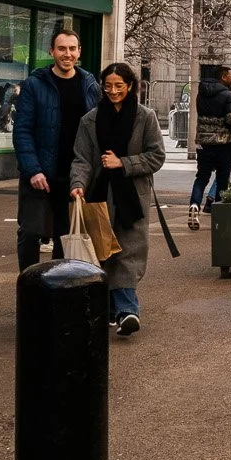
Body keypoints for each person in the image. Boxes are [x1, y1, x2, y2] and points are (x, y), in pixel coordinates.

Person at [70, 62, 165, 337]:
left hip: (132, 197)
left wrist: (122, 163)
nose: (112, 91)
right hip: (99, 196)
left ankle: (127, 311)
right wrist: (78, 185)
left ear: (131, 86)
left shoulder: (145, 117)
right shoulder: (90, 119)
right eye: (108, 86)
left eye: (118, 86)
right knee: (103, 254)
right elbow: (82, 159)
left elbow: (156, 156)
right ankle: (113, 311)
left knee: (129, 253)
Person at [12, 29, 100, 271]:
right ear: (52, 51)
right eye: (61, 49)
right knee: (30, 233)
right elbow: (22, 131)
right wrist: (33, 170)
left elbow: (99, 130)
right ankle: (29, 287)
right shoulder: (34, 84)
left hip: (74, 177)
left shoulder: (89, 85)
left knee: (66, 237)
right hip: (40, 174)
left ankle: (58, 293)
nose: (67, 54)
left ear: (79, 52)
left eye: (72, 49)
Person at [188, 65, 231, 226]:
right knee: (222, 179)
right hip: (223, 143)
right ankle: (219, 218)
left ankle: (194, 204)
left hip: (204, 143)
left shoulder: (202, 94)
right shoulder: (228, 96)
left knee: (201, 177)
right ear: (223, 77)